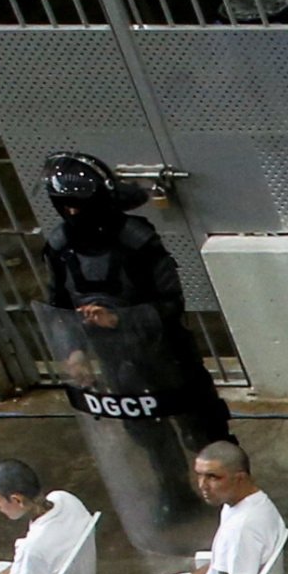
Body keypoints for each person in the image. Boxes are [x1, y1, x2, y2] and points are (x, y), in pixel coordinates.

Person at [35, 152, 227, 453]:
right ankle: (173, 491)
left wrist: (119, 320)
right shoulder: (61, 246)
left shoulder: (136, 242)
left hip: (166, 354)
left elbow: (171, 304)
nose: (71, 212)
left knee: (202, 430)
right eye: (64, 204)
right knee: (149, 438)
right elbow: (58, 305)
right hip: (115, 360)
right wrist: (73, 350)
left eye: (77, 204)